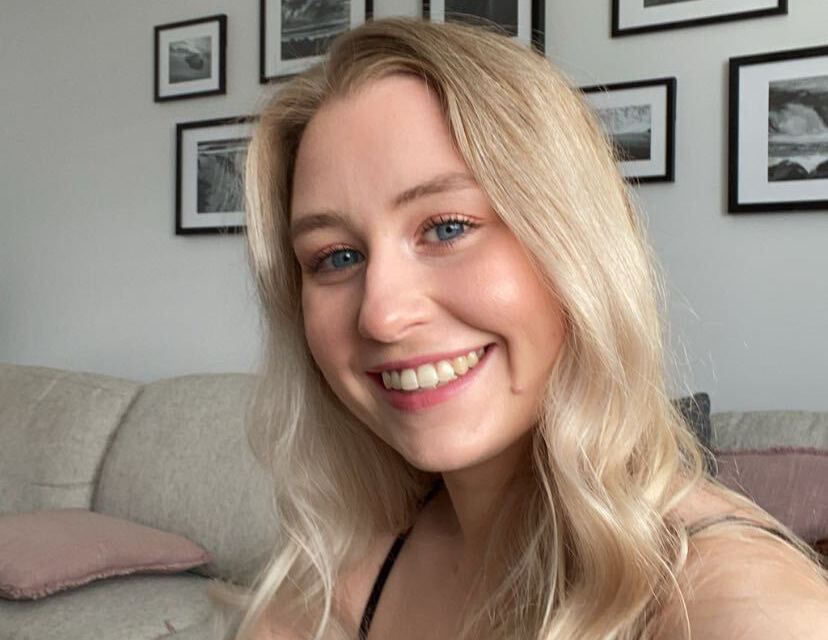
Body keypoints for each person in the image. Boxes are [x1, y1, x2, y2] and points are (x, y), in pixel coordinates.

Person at [210, 16, 828, 640]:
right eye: (336, 257)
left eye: (447, 226)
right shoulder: (341, 563)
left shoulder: (728, 593)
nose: (382, 315)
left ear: (574, 246)